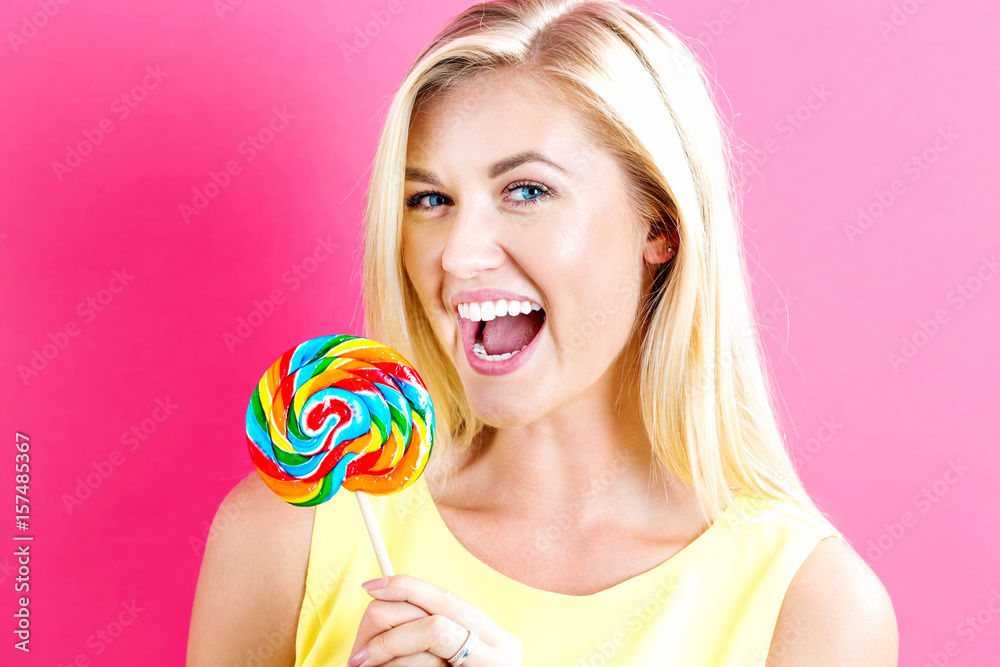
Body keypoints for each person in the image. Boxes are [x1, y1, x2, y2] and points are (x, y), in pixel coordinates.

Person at [188, 0, 898, 665]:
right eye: (430, 199)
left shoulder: (811, 607)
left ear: (660, 226)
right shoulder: (292, 534)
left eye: (526, 191)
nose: (459, 254)